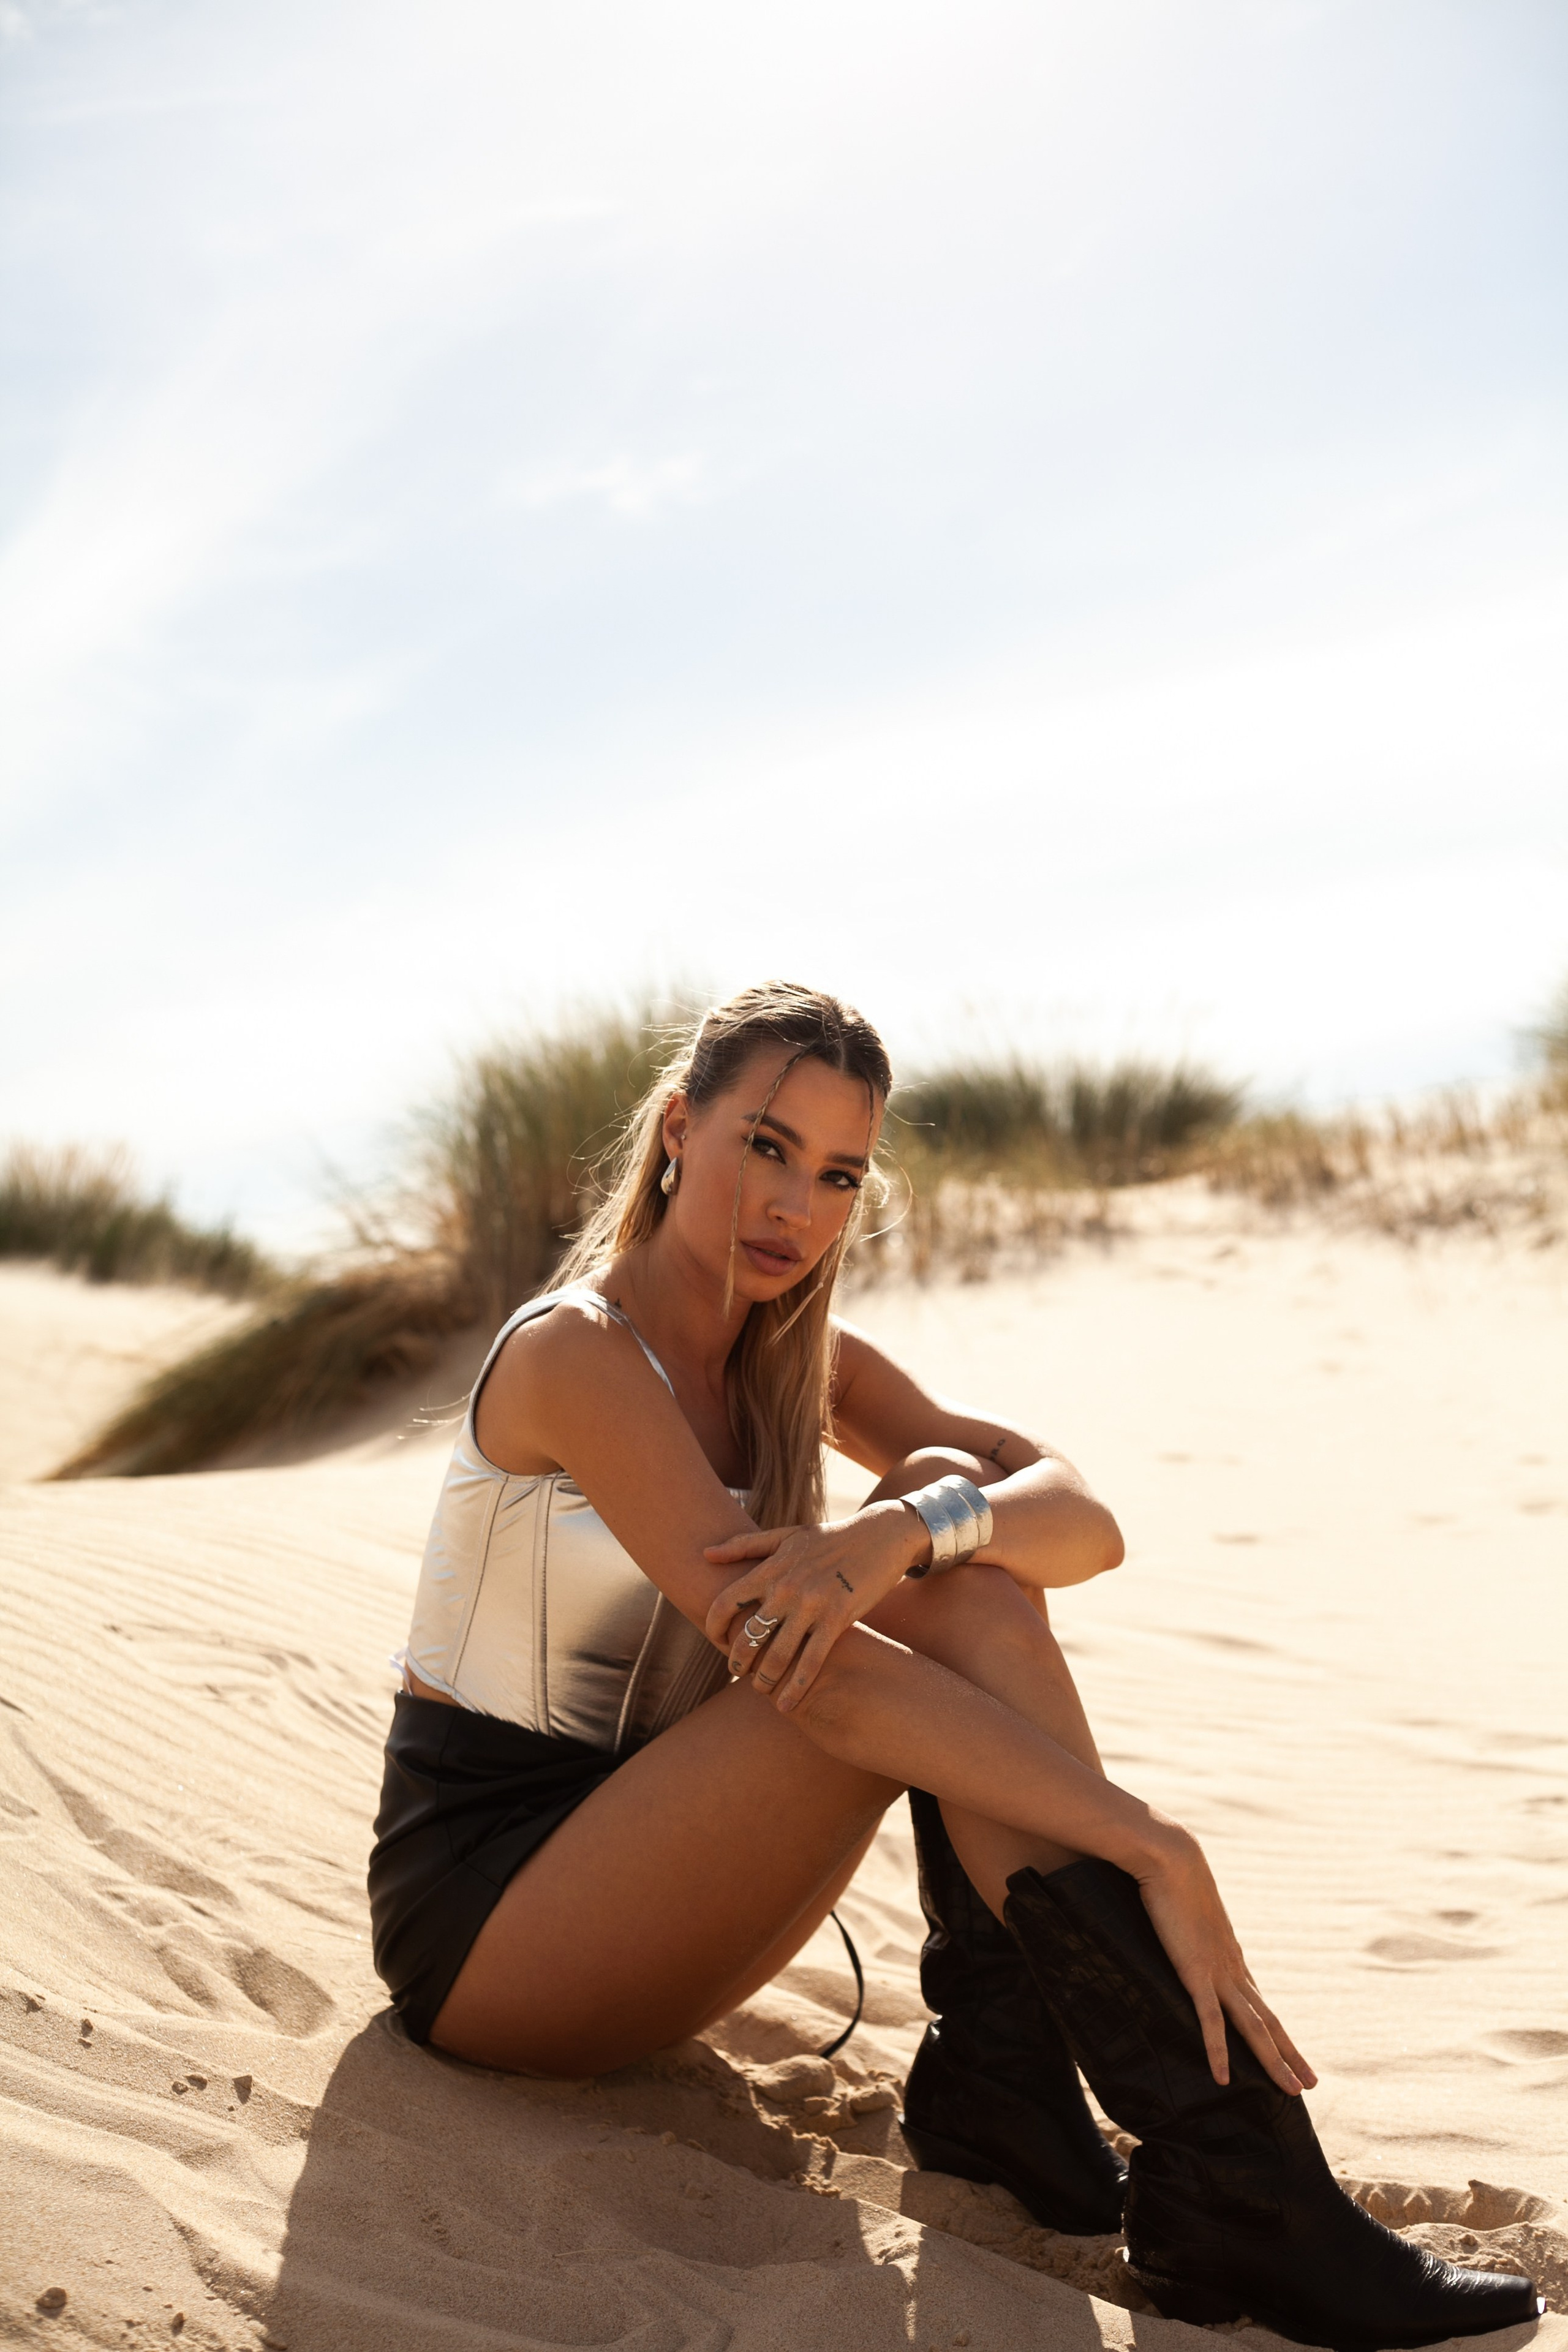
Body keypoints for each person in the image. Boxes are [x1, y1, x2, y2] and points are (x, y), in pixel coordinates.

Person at [369, 981, 1538, 2350]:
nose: (792, 1206)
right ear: (676, 1131)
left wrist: (896, 1534)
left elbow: (1082, 1523)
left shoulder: (791, 1356)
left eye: (836, 1174)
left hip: (656, 1874)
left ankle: (1010, 2084)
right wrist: (1142, 1838)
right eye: (763, 1145)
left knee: (968, 1580)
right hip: (492, 1925)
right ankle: (1229, 2169)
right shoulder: (577, 1353)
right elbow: (816, 1679)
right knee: (834, 1671)